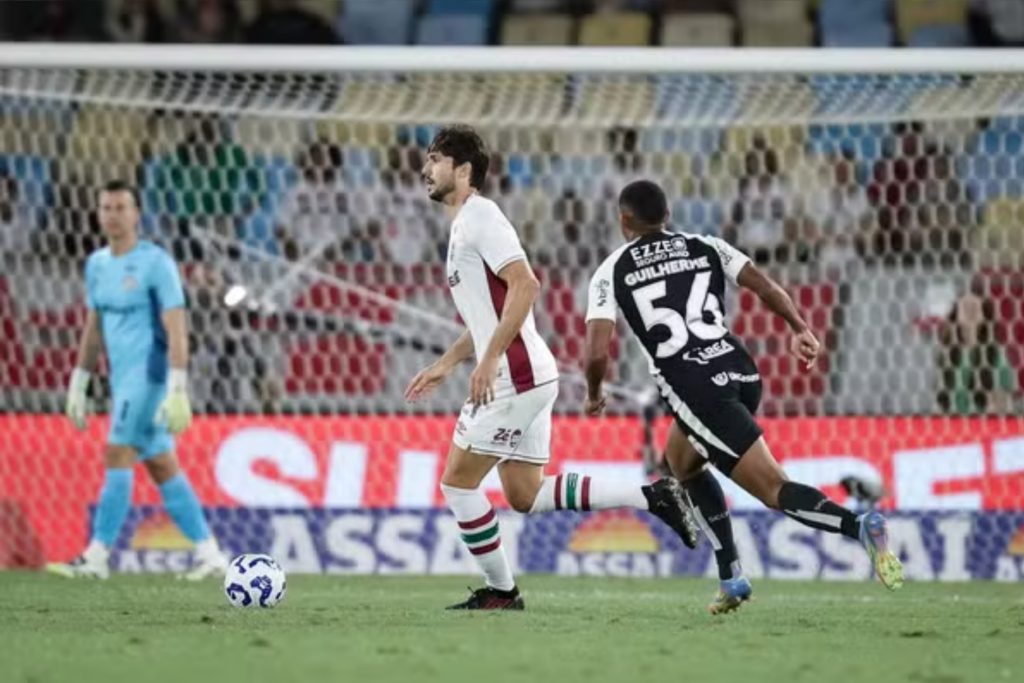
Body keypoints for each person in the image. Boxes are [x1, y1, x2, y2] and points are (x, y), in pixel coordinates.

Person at [405, 127, 697, 611]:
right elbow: (489, 315)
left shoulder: (481, 217)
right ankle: (653, 496)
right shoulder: (463, 227)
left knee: (457, 483)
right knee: (524, 495)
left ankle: (502, 592)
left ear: (463, 170)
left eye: (435, 159)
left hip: (514, 377)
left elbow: (526, 285)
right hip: (529, 375)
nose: (425, 168)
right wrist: (448, 362)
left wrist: (491, 358)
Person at [584, 179, 904, 614]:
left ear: (623, 219)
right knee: (681, 462)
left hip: (697, 391)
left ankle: (860, 525)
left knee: (773, 489)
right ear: (668, 214)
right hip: (741, 371)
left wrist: (594, 393)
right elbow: (765, 286)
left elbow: (597, 352)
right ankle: (731, 578)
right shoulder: (706, 245)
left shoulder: (611, 270)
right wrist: (799, 328)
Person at [48, 180, 227, 580]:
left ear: (137, 214)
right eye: (106, 207)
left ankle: (96, 557)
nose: (113, 215)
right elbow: (94, 324)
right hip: (121, 379)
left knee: (118, 452)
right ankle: (210, 555)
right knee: (161, 464)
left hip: (150, 377)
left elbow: (176, 327)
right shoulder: (96, 265)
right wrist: (79, 380)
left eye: (121, 207)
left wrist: (177, 388)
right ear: (98, 214)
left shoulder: (156, 264)